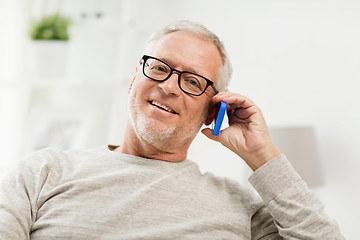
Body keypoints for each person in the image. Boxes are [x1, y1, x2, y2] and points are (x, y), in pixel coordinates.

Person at [0, 20, 344, 239]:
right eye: (160, 68)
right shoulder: (42, 172)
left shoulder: (243, 208)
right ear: (135, 77)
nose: (170, 87)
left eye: (193, 81)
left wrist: (263, 156)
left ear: (213, 109)